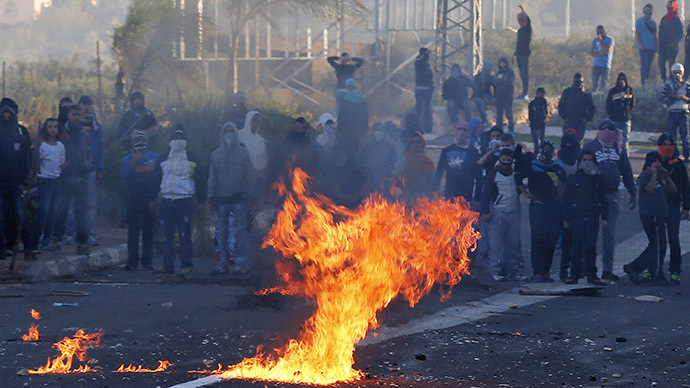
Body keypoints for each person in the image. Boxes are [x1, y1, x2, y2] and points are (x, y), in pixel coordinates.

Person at [581, 119, 637, 281]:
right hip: (592, 195)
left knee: (609, 233)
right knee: (589, 232)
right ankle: (586, 267)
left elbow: (626, 172)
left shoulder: (618, 149)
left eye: (609, 129)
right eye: (603, 128)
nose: (606, 131)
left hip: (612, 194)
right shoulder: (590, 147)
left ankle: (607, 269)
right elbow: (581, 169)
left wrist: (632, 192)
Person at [154, 126, 206, 278]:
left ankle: (186, 266)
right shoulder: (163, 158)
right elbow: (155, 179)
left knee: (185, 235)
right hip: (166, 201)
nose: (178, 141)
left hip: (184, 201)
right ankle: (168, 266)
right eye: (175, 137)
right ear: (171, 139)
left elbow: (200, 180)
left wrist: (201, 201)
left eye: (180, 137)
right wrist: (154, 197)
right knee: (167, 236)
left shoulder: (193, 158)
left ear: (185, 140)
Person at [208, 122, 255, 276]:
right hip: (221, 198)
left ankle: (240, 264)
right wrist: (211, 197)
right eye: (226, 131)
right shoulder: (216, 154)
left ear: (236, 134)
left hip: (239, 198)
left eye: (231, 131)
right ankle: (223, 263)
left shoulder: (243, 153)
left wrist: (249, 196)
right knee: (221, 233)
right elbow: (212, 177)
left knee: (240, 232)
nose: (229, 134)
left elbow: (249, 176)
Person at [624, 151, 676, 284]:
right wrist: (653, 175)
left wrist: (667, 176)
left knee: (656, 245)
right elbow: (649, 189)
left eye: (659, 161)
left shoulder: (662, 176)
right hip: (650, 214)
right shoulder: (645, 176)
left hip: (661, 213)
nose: (657, 164)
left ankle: (636, 267)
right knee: (659, 244)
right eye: (655, 162)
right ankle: (658, 273)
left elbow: (673, 190)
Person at [522, 140, 566, 282]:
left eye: (549, 149)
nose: (547, 152)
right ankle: (538, 272)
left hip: (553, 208)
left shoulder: (557, 167)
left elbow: (566, 181)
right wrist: (526, 193)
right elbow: (518, 177)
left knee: (551, 240)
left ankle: (546, 271)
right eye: (544, 149)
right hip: (537, 208)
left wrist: (561, 193)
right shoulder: (533, 166)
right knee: (538, 240)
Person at [562, 151, 608, 285]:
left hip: (593, 216)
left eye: (589, 160)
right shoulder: (574, 178)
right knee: (576, 246)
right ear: (580, 161)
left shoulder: (598, 179)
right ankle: (574, 275)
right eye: (584, 159)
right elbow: (567, 199)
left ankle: (592, 275)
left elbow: (603, 200)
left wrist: (604, 217)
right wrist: (566, 218)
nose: (587, 162)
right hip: (577, 216)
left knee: (591, 247)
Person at [481, 148, 526, 281]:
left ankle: (516, 270)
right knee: (496, 244)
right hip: (498, 211)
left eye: (509, 160)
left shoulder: (516, 175)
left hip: (514, 211)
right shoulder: (492, 175)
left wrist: (519, 149)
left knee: (514, 243)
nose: (506, 162)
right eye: (504, 159)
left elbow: (528, 159)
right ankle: (496, 271)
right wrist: (486, 212)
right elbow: (485, 194)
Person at [53, 105, 91, 255]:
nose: (76, 117)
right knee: (61, 209)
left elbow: (88, 153)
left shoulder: (84, 134)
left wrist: (88, 161)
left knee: (81, 210)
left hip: (81, 175)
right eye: (74, 114)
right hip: (66, 176)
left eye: (79, 114)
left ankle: (82, 242)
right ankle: (55, 240)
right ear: (68, 115)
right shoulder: (62, 133)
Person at [121, 130, 159, 271]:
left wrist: (156, 198)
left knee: (149, 233)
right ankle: (132, 262)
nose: (139, 142)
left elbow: (158, 177)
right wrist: (133, 161)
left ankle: (147, 262)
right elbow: (125, 175)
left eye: (141, 140)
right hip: (133, 200)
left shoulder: (155, 157)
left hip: (150, 200)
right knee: (133, 233)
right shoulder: (127, 158)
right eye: (136, 140)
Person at [657, 134, 690, 285]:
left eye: (670, 144)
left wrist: (687, 207)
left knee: (673, 239)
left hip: (673, 205)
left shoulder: (678, 165)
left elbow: (685, 187)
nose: (667, 146)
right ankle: (655, 270)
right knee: (657, 240)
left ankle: (675, 270)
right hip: (657, 206)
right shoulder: (654, 161)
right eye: (664, 144)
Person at [0, 105, 31, 259]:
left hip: (15, 183)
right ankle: (1, 248)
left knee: (19, 214)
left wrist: (25, 180)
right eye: (3, 115)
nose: (6, 118)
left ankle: (28, 248)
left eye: (9, 116)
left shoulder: (20, 137)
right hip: (1, 182)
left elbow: (26, 161)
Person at [435, 121, 482, 207]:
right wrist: (434, 192)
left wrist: (476, 198)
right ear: (455, 132)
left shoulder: (474, 152)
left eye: (464, 129)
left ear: (468, 133)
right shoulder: (446, 151)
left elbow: (479, 177)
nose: (461, 132)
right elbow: (439, 173)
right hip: (449, 195)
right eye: (459, 129)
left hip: (466, 196)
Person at [35, 118, 64, 252]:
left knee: (53, 213)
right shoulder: (42, 146)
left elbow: (61, 162)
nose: (53, 129)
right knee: (43, 212)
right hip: (45, 181)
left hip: (56, 181)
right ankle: (35, 242)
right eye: (50, 127)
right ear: (45, 129)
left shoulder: (60, 146)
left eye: (55, 127)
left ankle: (47, 241)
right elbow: (36, 162)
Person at [556, 130, 581, 280]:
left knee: (578, 241)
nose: (569, 146)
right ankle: (564, 270)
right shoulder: (557, 162)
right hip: (561, 203)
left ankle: (577, 270)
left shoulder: (580, 162)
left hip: (577, 204)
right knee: (565, 241)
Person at [79, 95, 103, 246]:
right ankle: (71, 233)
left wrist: (100, 168)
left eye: (89, 104)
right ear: (79, 105)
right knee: (74, 201)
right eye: (84, 104)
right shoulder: (74, 123)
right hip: (76, 168)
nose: (87, 107)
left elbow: (100, 148)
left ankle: (89, 232)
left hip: (91, 168)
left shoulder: (96, 125)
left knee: (90, 202)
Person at [268, 117, 320, 186]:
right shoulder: (287, 142)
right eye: (297, 127)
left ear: (304, 128)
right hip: (285, 177)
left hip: (301, 178)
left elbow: (312, 161)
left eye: (300, 127)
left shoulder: (308, 143)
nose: (298, 129)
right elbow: (278, 156)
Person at [395, 131, 435, 201]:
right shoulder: (401, 164)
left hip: (423, 200)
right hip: (405, 200)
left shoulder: (428, 163)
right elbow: (396, 181)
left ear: (422, 144)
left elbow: (432, 184)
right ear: (409, 145)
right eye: (412, 142)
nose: (415, 144)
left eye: (418, 142)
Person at [662, 63, 690, 161]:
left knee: (685, 137)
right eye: (675, 73)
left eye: (679, 73)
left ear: (682, 73)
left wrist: (682, 97)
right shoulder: (668, 85)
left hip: (683, 112)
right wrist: (671, 96)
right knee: (671, 137)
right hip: (672, 112)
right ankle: (673, 155)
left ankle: (686, 156)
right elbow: (663, 98)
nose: (677, 75)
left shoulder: (687, 85)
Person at [360, 124, 397, 195]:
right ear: (373, 132)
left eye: (380, 130)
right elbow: (362, 163)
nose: (378, 133)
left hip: (385, 180)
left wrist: (388, 175)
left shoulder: (390, 148)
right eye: (376, 130)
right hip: (370, 180)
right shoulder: (367, 147)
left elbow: (394, 164)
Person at [558, 73, 595, 141]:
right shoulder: (567, 92)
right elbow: (561, 106)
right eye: (577, 81)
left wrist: (587, 119)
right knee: (567, 141)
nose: (579, 83)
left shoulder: (586, 94)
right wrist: (564, 117)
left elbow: (591, 108)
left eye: (580, 82)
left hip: (580, 122)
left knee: (578, 142)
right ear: (573, 80)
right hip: (569, 121)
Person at [337, 78, 369, 157]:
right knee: (357, 148)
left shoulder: (344, 99)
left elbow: (341, 115)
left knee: (346, 148)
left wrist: (339, 129)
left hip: (347, 129)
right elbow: (366, 116)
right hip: (358, 129)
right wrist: (364, 128)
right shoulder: (363, 99)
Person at [605, 72, 636, 155]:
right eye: (620, 79)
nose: (621, 81)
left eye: (623, 79)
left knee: (625, 141)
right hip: (615, 120)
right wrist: (612, 114)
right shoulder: (613, 91)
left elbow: (633, 104)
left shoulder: (630, 90)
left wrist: (629, 114)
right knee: (613, 140)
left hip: (625, 120)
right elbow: (608, 105)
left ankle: (625, 160)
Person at [658, 1, 683, 82]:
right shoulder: (664, 19)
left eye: (671, 6)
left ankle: (671, 79)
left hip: (672, 45)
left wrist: (675, 43)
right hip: (662, 45)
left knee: (671, 63)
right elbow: (660, 31)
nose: (669, 7)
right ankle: (663, 79)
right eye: (668, 5)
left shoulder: (677, 19)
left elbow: (681, 33)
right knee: (661, 62)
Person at [513, 4, 532, 100]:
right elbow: (518, 43)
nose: (519, 22)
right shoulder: (520, 31)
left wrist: (522, 9)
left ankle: (525, 92)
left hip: (525, 54)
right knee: (521, 73)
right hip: (519, 54)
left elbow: (528, 19)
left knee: (525, 73)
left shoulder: (528, 28)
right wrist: (514, 55)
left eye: (521, 19)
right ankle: (523, 92)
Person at [492, 57, 516, 134]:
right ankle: (499, 130)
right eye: (501, 63)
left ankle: (511, 130)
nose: (502, 64)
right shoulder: (498, 73)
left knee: (508, 113)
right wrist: (501, 81)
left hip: (507, 96)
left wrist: (501, 81)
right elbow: (494, 82)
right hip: (499, 96)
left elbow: (509, 82)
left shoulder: (510, 72)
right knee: (499, 114)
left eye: (503, 63)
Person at [635, 3, 657, 85]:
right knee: (644, 65)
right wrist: (641, 45)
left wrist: (656, 46)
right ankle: (643, 82)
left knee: (649, 66)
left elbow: (655, 35)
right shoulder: (639, 21)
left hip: (652, 47)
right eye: (647, 9)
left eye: (650, 10)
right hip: (644, 48)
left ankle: (647, 80)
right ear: (644, 10)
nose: (648, 11)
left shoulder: (653, 22)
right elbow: (637, 34)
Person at [589, 25, 615, 92]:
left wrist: (600, 41)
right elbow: (591, 52)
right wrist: (599, 54)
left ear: (604, 32)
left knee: (605, 85)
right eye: (597, 32)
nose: (599, 34)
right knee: (595, 85)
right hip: (596, 65)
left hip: (605, 66)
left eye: (600, 32)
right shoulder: (595, 40)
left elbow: (607, 51)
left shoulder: (610, 40)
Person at [414, 47, 434, 133]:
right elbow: (417, 62)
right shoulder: (419, 62)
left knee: (427, 109)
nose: (427, 56)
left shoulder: (427, 64)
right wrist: (423, 55)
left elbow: (430, 76)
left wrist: (432, 86)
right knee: (419, 109)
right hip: (420, 89)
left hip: (428, 89)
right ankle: (418, 126)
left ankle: (427, 127)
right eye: (426, 54)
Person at [528, 87, 547, 155]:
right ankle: (536, 156)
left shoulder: (543, 102)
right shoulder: (533, 103)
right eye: (540, 94)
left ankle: (541, 155)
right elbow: (532, 115)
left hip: (541, 124)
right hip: (534, 125)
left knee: (542, 142)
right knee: (536, 143)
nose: (541, 96)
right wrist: (535, 125)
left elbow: (544, 113)